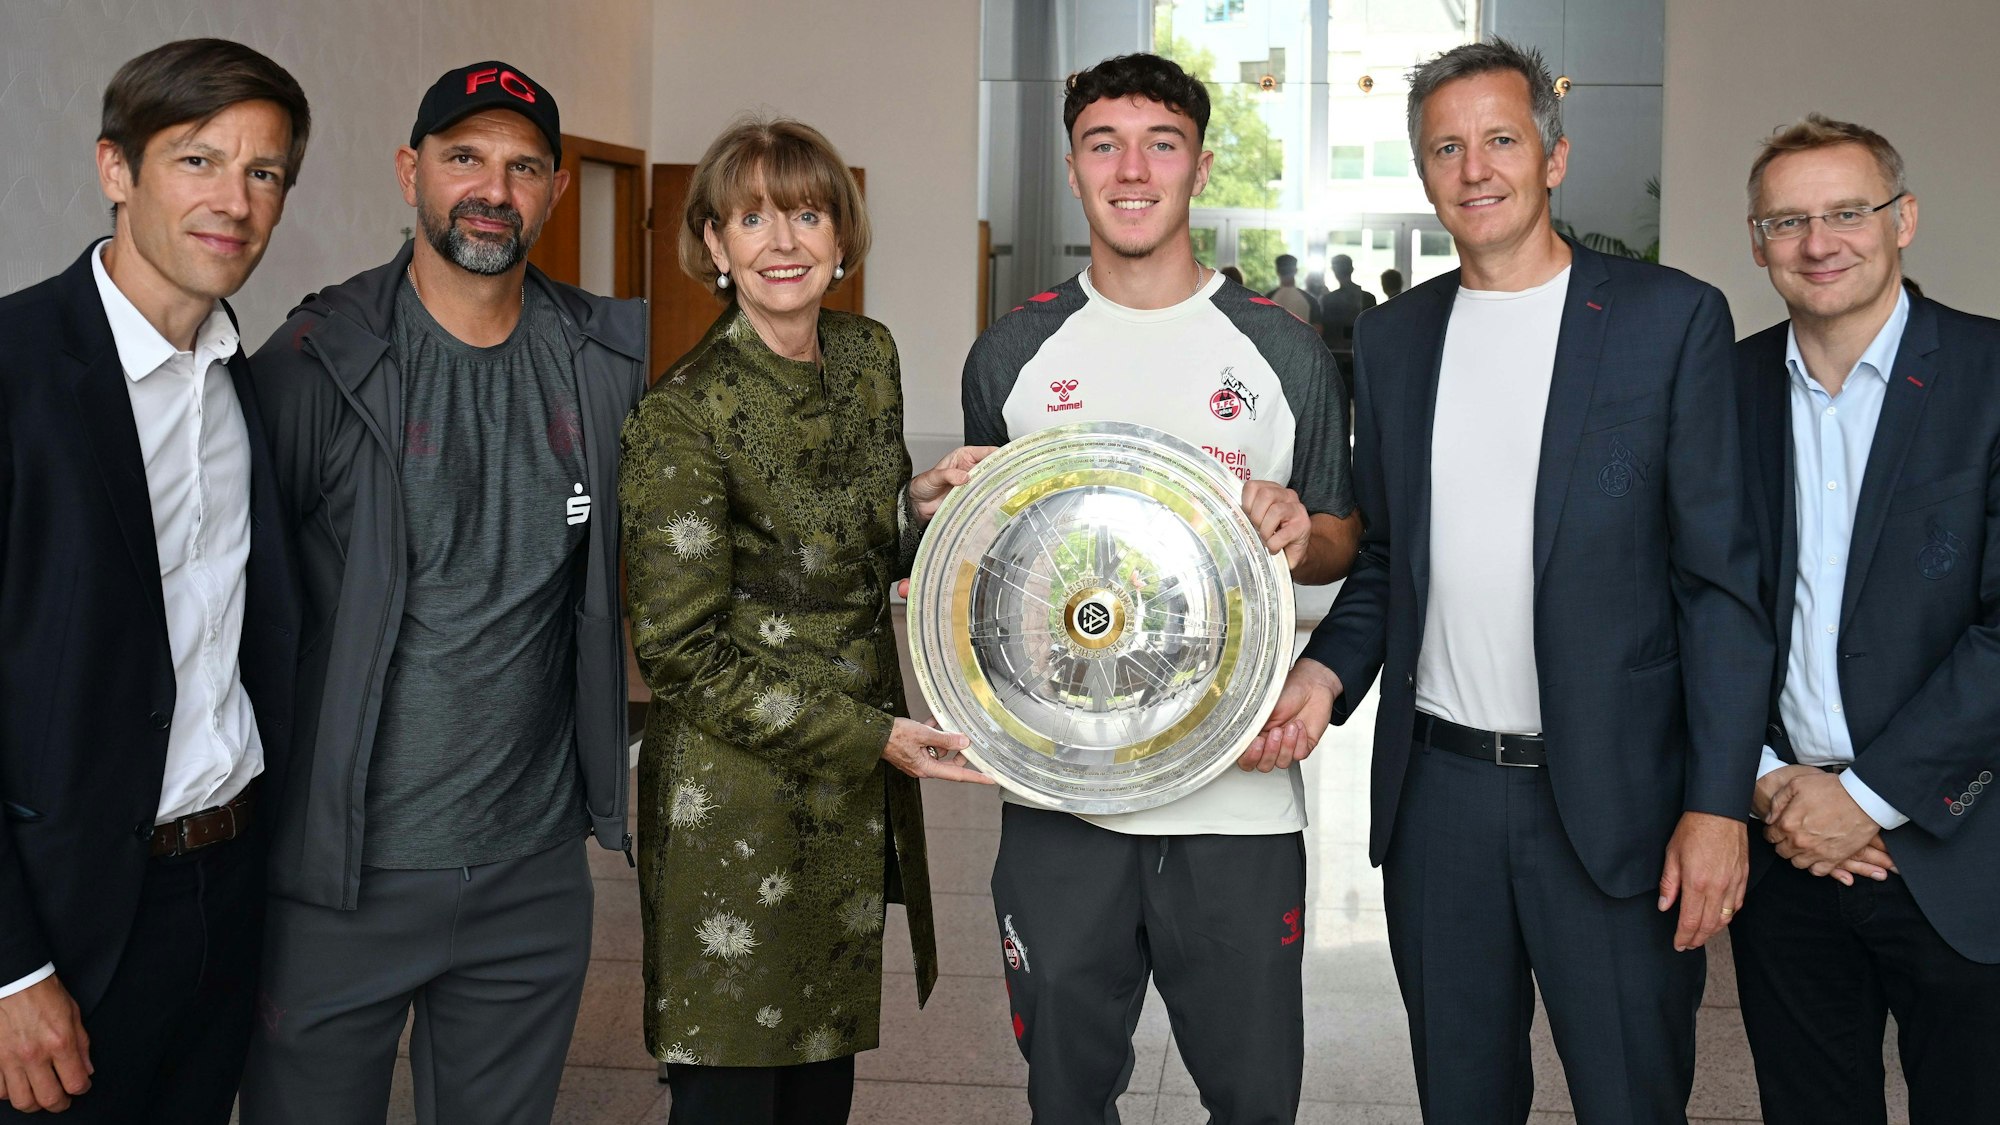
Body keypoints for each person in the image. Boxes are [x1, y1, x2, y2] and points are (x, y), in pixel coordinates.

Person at [1254, 39, 1769, 1123]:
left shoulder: (1664, 320)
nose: (1474, 167)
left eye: (1499, 139)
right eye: (1446, 146)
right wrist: (1322, 676)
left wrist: (1716, 804)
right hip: (1436, 798)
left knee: (1629, 1096)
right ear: (1423, 171)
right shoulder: (1395, 339)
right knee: (1462, 1096)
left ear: (1553, 156)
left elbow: (1718, 586)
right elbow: (1389, 559)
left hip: (1612, 801)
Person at [237, 62, 647, 1124]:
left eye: (521, 167)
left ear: (555, 191)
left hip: (533, 872)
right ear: (410, 170)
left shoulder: (607, 358)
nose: (491, 189)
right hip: (342, 875)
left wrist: (905, 495)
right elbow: (231, 611)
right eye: (463, 157)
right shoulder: (314, 364)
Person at [962, 52, 1361, 1123]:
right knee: (1065, 1092)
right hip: (1056, 797)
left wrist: (1297, 527)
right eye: (1103, 143)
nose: (1130, 170)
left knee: (1250, 1095)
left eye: (1160, 143)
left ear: (1199, 164)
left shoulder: (1283, 352)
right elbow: (982, 565)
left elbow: (1339, 537)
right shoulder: (1012, 352)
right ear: (1072, 164)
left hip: (1233, 800)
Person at [621, 117, 995, 1125]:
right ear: (712, 245)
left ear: (841, 238)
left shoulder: (866, 357)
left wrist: (917, 505)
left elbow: (847, 545)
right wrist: (877, 734)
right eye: (750, 217)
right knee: (733, 1084)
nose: (780, 240)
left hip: (843, 797)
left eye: (806, 212)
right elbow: (681, 655)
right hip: (730, 801)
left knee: (820, 1081)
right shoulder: (683, 414)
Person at [0, 39, 306, 1121]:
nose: (234, 200)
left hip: (226, 890)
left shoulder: (250, 387)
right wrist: (12, 970)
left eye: (263, 172)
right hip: (62, 917)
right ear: (116, 170)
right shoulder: (18, 370)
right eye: (198, 160)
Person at [1731, 114, 2000, 1125]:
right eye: (1786, 220)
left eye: (1846, 212)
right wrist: (1769, 787)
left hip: (1958, 842)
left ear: (1902, 220)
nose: (1817, 242)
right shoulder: (1719, 389)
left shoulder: (1987, 378)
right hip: (1783, 847)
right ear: (1756, 241)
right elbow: (1686, 607)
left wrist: (1873, 796)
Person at [1266, 252, 1319, 324]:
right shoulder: (1309, 299)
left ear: (1277, 271)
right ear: (1296, 271)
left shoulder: (1268, 298)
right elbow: (1318, 328)